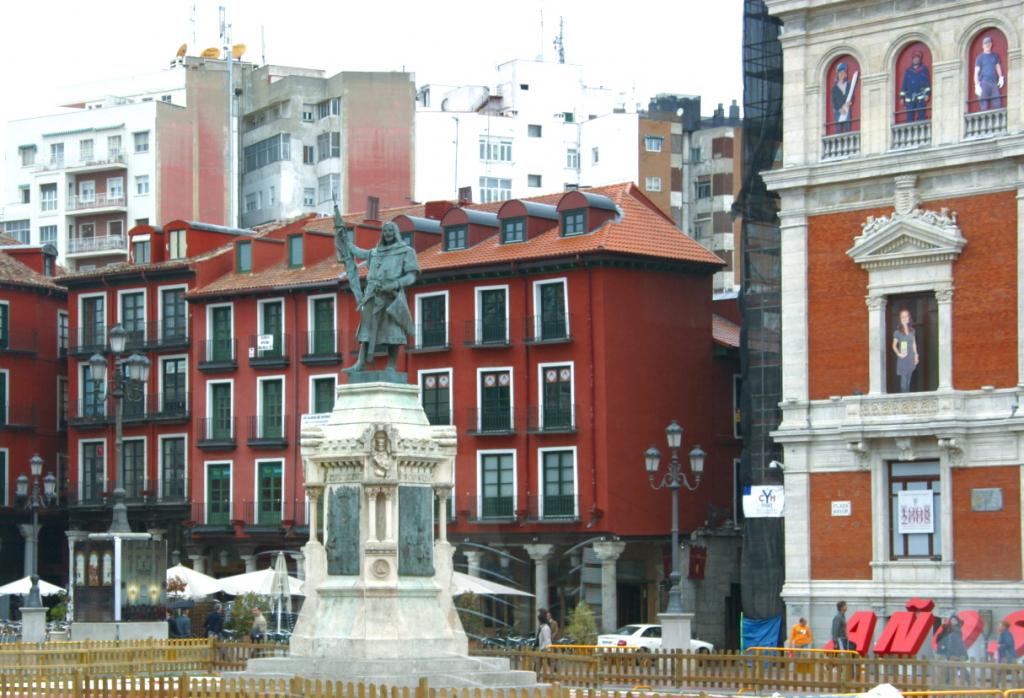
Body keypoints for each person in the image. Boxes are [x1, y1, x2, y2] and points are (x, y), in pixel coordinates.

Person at [336, 221, 419, 373]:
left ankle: (391, 365)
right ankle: (360, 363)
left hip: (392, 296)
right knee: (366, 328)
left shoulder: (406, 251)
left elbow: (411, 276)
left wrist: (395, 284)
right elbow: (357, 252)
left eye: (390, 230)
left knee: (393, 331)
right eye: (385, 231)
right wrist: (345, 240)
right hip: (372, 294)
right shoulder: (374, 253)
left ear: (396, 233)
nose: (388, 233)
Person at [974, 35, 1005, 111]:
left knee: (997, 103)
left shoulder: (994, 56)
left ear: (991, 44)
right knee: (984, 105)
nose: (987, 45)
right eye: (985, 43)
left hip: (994, 83)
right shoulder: (980, 58)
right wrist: (977, 85)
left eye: (988, 43)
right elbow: (976, 73)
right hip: (984, 82)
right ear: (983, 46)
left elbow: (997, 67)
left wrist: (1001, 77)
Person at [892, 309, 919, 393]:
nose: (904, 318)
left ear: (909, 318)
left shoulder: (912, 331)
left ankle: (908, 399)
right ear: (900, 319)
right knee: (903, 383)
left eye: (906, 316)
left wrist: (916, 356)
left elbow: (914, 343)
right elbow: (893, 345)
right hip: (903, 358)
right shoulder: (897, 332)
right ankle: (903, 398)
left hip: (911, 358)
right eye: (902, 317)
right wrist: (899, 354)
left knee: (908, 382)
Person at [900, 50, 931, 122]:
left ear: (920, 59)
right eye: (914, 58)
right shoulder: (908, 71)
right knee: (909, 114)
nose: (916, 60)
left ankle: (922, 127)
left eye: (917, 58)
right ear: (912, 59)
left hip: (921, 96)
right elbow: (904, 84)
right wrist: (902, 97)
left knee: (921, 113)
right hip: (910, 97)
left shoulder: (924, 69)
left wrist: (927, 94)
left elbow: (927, 83)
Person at [830, 63, 859, 133]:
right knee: (838, 129)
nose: (842, 74)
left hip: (847, 109)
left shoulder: (848, 85)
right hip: (838, 111)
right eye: (840, 73)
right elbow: (834, 101)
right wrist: (840, 109)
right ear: (838, 74)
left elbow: (852, 95)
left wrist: (850, 102)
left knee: (847, 127)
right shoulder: (834, 88)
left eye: (843, 72)